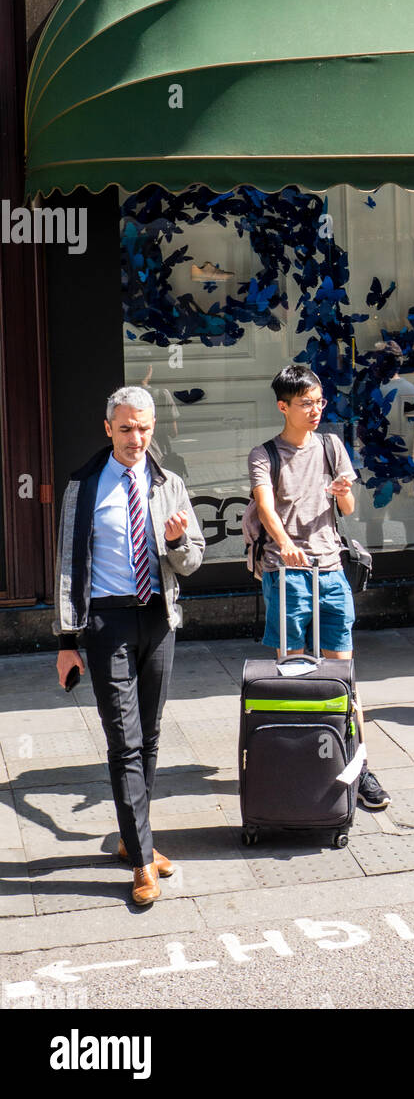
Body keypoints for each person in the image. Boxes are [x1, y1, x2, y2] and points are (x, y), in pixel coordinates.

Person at [53, 386, 206, 907]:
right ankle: (141, 859)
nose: (137, 438)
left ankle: (130, 835)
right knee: (125, 742)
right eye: (126, 428)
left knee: (152, 735)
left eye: (144, 428)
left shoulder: (169, 483)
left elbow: (193, 561)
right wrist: (68, 639)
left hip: (158, 620)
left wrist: (180, 541)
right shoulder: (85, 485)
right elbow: (68, 565)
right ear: (108, 429)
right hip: (106, 623)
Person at [248, 364, 391, 810]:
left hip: (331, 570)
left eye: (319, 401)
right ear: (283, 406)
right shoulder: (264, 455)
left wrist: (343, 489)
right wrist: (286, 545)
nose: (315, 410)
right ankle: (296, 763)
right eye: (306, 403)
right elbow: (266, 508)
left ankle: (359, 766)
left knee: (342, 674)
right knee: (291, 671)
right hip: (287, 573)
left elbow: (347, 505)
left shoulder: (331, 446)